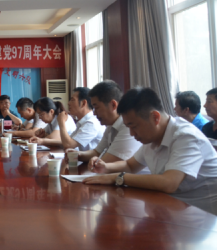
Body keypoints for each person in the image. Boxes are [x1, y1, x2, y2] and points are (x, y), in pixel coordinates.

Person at [83, 87, 217, 215]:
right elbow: (130, 165)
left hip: (201, 217)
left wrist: (118, 178)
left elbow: (169, 183)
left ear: (155, 117)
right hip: (171, 209)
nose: (132, 134)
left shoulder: (186, 136)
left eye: (134, 126)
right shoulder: (152, 136)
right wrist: (105, 167)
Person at [72, 80, 141, 165]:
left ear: (113, 105)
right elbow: (96, 152)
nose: (94, 113)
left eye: (97, 108)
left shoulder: (128, 126)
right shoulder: (110, 125)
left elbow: (108, 161)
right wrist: (76, 155)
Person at [30, 88, 104, 150]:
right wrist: (42, 141)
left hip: (89, 161)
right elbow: (65, 141)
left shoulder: (91, 123)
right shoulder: (82, 122)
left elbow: (68, 145)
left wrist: (61, 122)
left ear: (83, 103)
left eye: (72, 100)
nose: (68, 103)